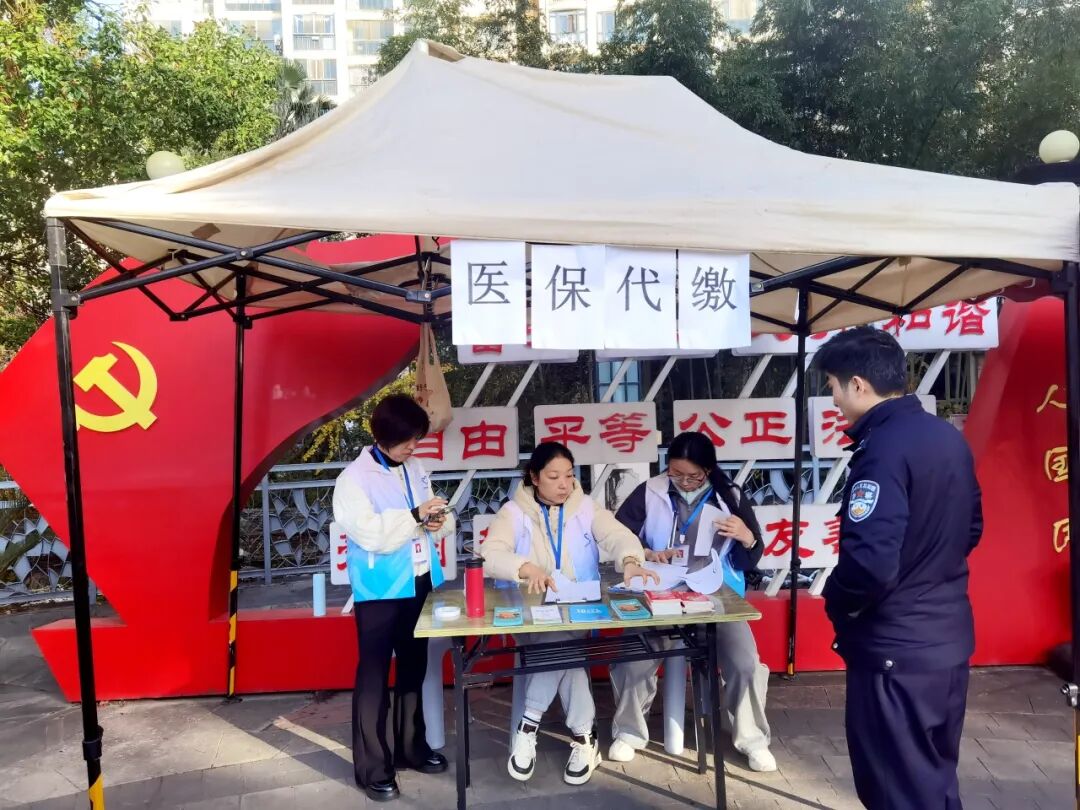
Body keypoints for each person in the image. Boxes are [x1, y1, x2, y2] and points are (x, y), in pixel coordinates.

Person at [814, 326, 982, 810]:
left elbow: (869, 565)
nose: (834, 399)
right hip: (946, 645)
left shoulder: (882, 450)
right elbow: (971, 529)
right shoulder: (945, 437)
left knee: (896, 791)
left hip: (895, 654)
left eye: (833, 386)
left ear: (858, 384)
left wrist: (836, 602)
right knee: (933, 782)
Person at [481, 441, 659, 786]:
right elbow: (490, 554)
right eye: (554, 477)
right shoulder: (513, 512)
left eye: (569, 475)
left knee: (562, 641)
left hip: (580, 613)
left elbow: (618, 536)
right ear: (534, 477)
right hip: (531, 617)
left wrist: (630, 560)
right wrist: (524, 567)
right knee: (564, 649)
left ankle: (528, 724)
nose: (564, 484)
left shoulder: (585, 507)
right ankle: (584, 737)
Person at [610, 431, 776, 772]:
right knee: (633, 658)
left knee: (745, 661)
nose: (684, 482)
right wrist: (646, 553)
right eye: (676, 474)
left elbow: (749, 558)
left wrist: (747, 537)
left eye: (693, 476)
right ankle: (629, 732)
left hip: (715, 597)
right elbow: (618, 536)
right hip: (659, 591)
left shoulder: (729, 495)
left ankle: (753, 740)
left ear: (708, 470)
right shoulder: (650, 491)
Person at [332, 394, 457, 803]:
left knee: (414, 667)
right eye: (407, 440)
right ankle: (373, 768)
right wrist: (416, 517)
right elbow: (369, 533)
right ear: (383, 436)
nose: (413, 446)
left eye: (417, 439)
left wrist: (437, 520)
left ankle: (410, 748)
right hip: (380, 589)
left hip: (418, 579)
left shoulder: (415, 468)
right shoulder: (354, 479)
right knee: (373, 674)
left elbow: (430, 514)